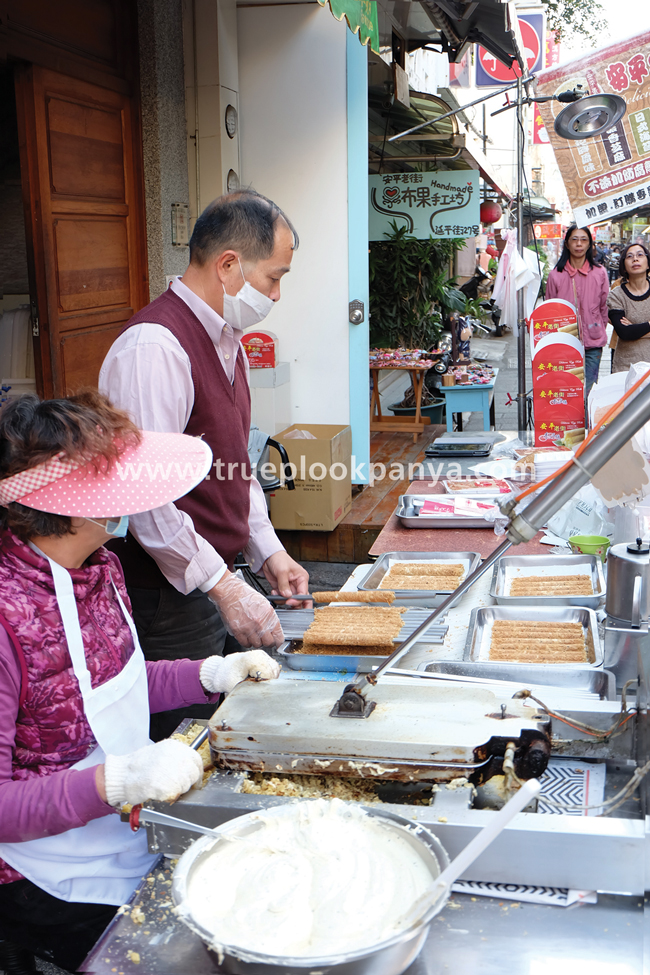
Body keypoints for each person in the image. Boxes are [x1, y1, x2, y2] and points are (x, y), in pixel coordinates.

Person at [0, 391, 281, 974]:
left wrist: (209, 676)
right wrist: (116, 780)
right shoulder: (7, 615)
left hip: (122, 825)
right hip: (40, 868)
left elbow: (115, 682)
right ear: (68, 503)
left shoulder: (98, 569)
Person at [100, 190, 309, 740]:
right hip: (169, 593)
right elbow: (147, 498)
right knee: (180, 737)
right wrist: (223, 585)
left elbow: (235, 463)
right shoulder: (153, 347)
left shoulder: (231, 343)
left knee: (231, 719)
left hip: (214, 576)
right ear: (229, 265)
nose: (277, 295)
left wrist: (269, 551)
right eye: (273, 278)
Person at [546, 225, 609, 394]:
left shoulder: (600, 273)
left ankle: (587, 421)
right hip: (564, 342)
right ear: (567, 244)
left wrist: (596, 326)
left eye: (584, 240)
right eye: (574, 239)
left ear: (590, 245)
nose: (579, 244)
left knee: (589, 390)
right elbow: (550, 311)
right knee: (567, 389)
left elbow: (604, 307)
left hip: (593, 342)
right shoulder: (555, 275)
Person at [607, 242, 650, 373]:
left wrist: (635, 328)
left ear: (648, 263)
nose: (635, 259)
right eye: (629, 256)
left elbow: (630, 331)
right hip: (626, 366)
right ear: (624, 266)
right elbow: (624, 332)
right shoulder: (616, 295)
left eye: (640, 255)